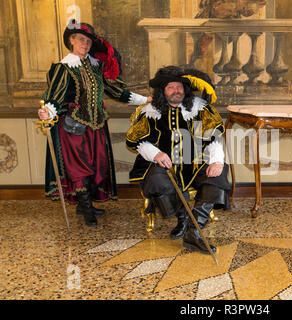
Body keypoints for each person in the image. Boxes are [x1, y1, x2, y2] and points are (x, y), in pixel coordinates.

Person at [37, 19, 151, 227]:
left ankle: (84, 204)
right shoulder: (64, 67)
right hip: (73, 126)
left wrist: (144, 100)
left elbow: (115, 90)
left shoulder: (96, 67)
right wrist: (47, 111)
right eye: (81, 39)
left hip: (96, 125)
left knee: (95, 163)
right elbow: (54, 95)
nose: (85, 44)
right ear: (71, 40)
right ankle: (86, 207)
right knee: (78, 166)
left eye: (88, 41)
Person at [126, 66, 231, 254]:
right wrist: (156, 153)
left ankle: (193, 229)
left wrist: (216, 161)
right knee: (157, 180)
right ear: (162, 91)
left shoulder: (201, 108)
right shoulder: (149, 112)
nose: (176, 90)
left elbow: (213, 137)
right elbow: (137, 140)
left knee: (219, 173)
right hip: (163, 165)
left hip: (196, 163)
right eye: (170, 87)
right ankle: (182, 217)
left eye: (179, 87)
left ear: (185, 89)